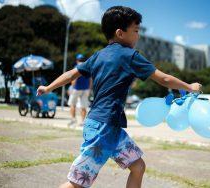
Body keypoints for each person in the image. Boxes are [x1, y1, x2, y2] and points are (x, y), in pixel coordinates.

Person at [37, 6, 201, 188]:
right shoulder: (130, 56)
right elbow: (163, 78)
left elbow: (71, 74)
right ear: (120, 33)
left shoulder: (98, 55)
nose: (138, 35)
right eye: (136, 31)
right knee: (78, 182)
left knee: (138, 166)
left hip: (110, 127)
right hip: (103, 127)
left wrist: (48, 87)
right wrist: (189, 87)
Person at [67, 54, 92, 127]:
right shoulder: (88, 67)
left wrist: (72, 87)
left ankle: (73, 120)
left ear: (77, 60)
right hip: (86, 89)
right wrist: (89, 89)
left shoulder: (76, 67)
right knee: (83, 106)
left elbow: (73, 78)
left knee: (72, 104)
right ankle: (82, 122)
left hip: (76, 88)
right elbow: (91, 79)